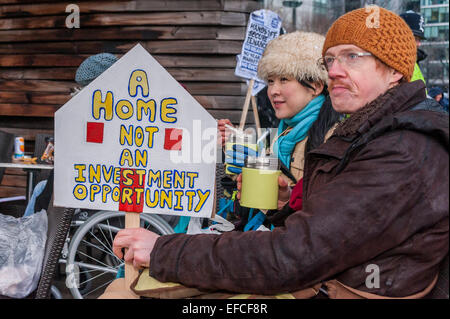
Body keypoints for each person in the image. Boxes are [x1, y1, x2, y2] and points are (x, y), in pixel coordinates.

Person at [110, 7, 448, 298]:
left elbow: (295, 254)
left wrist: (165, 250)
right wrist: (288, 201)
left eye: (352, 56)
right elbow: (340, 226)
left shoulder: (401, 148)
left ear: (394, 71)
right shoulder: (372, 129)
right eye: (329, 59)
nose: (333, 71)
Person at [218, 32, 340, 230]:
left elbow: (328, 214)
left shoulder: (333, 138)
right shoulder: (280, 135)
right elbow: (259, 202)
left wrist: (285, 199)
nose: (274, 91)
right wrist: (236, 159)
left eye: (284, 79)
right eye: (271, 81)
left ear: (316, 86)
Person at [400, 10, 427, 86]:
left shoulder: (414, 60)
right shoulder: (393, 63)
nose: (419, 44)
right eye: (415, 39)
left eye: (419, 40)